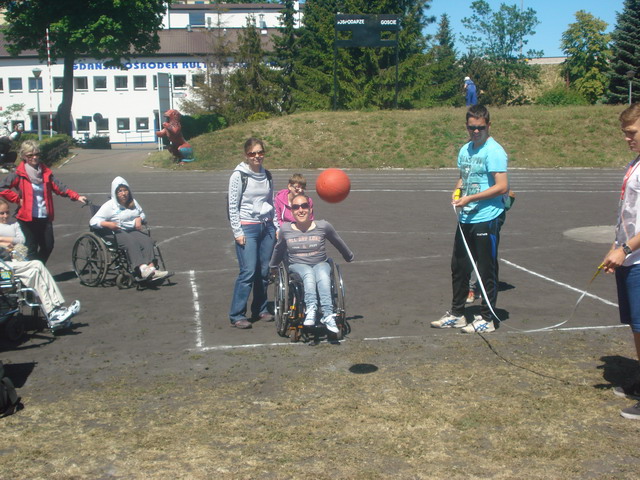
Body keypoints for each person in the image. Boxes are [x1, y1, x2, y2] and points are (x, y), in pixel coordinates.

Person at [431, 104, 509, 333]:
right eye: (471, 127)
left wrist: (471, 198)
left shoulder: (494, 151)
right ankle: (457, 314)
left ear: (488, 125)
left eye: (480, 128)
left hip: (487, 217)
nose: (476, 132)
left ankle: (488, 318)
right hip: (466, 217)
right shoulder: (465, 150)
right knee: (459, 267)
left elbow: (502, 187)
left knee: (486, 269)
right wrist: (457, 192)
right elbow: (463, 178)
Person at [601, 102, 640, 420]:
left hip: (638, 258)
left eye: (632, 133)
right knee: (636, 325)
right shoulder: (635, 163)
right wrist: (617, 247)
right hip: (629, 256)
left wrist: (625, 249)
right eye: (625, 134)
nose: (627, 138)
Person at [269, 194, 354, 333]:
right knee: (308, 273)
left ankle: (327, 314)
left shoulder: (323, 226)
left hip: (320, 262)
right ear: (292, 211)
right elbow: (279, 249)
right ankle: (311, 309)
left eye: (304, 206)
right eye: (296, 207)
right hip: (297, 265)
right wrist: (273, 266)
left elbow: (337, 241)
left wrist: (348, 255)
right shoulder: (286, 229)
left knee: (324, 276)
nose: (300, 210)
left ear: (310, 208)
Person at [0, 140, 87, 264]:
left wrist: (76, 196)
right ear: (24, 156)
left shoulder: (45, 172)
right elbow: (2, 187)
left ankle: (37, 269)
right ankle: (33, 275)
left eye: (37, 154)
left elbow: (59, 187)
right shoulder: (19, 174)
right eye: (30, 155)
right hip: (27, 218)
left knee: (48, 246)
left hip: (44, 216)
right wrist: (16, 199)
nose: (34, 157)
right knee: (31, 248)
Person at [0, 198, 80, 331]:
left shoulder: (14, 224)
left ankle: (56, 309)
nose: (5, 216)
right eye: (1, 213)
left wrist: (2, 240)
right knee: (36, 266)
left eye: (7, 212)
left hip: (10, 263)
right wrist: (5, 244)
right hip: (4, 268)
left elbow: (21, 240)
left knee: (36, 267)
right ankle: (53, 312)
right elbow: (15, 242)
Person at [228, 138, 277, 329]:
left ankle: (260, 308)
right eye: (252, 153)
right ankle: (237, 314)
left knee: (263, 272)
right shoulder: (239, 176)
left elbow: (270, 202)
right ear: (246, 155)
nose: (257, 156)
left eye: (260, 152)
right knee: (248, 271)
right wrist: (237, 231)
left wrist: (275, 226)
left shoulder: (267, 175)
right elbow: (232, 205)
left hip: (266, 228)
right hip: (247, 227)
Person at [89, 176, 170, 282]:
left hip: (130, 230)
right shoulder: (109, 206)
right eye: (120, 191)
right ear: (115, 193)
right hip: (114, 231)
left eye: (125, 190)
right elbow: (93, 221)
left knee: (147, 240)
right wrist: (107, 224)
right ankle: (142, 268)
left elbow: (142, 213)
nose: (123, 193)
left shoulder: (133, 202)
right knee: (131, 242)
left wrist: (139, 218)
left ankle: (152, 269)